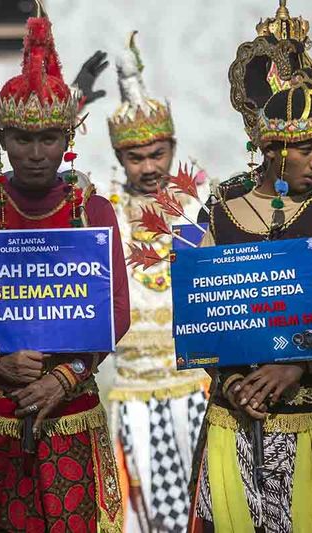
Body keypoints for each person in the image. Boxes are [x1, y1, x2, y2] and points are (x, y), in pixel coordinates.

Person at [0, 6, 130, 531]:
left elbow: (116, 313)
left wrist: (63, 377)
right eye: (22, 138)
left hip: (70, 412)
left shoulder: (92, 211)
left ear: (68, 139)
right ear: (3, 138)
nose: (36, 153)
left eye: (47, 139)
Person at [188, 63, 312, 531]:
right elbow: (201, 317)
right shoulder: (221, 215)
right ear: (270, 149)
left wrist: (299, 359)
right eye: (306, 148)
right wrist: (235, 383)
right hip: (233, 416)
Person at [105, 31, 209, 533]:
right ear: (120, 158)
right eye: (135, 157)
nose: (149, 167)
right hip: (132, 389)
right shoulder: (102, 210)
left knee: (202, 508)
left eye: (158, 153)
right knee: (143, 513)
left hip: (196, 384)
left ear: (173, 147)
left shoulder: (199, 201)